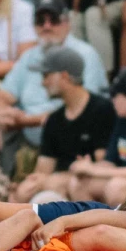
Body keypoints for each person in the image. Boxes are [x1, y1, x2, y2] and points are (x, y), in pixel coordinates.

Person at [0, 0, 107, 155]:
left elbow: (85, 108)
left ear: (67, 23)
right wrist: (2, 112)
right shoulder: (29, 56)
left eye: (53, 20)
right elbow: (2, 96)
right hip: (28, 133)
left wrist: (28, 121)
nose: (47, 26)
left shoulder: (84, 55)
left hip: (71, 131)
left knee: (61, 121)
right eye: (40, 21)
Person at [15, 47, 116, 203]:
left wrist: (60, 179)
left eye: (46, 75)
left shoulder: (102, 110)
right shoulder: (54, 119)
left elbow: (104, 164)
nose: (43, 82)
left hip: (92, 187)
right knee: (24, 193)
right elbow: (43, 171)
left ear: (64, 76)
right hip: (58, 187)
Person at [67, 68, 126, 207]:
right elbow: (110, 161)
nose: (112, 100)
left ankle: (119, 226)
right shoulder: (123, 123)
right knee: (79, 183)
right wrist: (86, 167)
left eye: (115, 95)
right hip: (122, 178)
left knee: (116, 187)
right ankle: (91, 224)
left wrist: (95, 170)